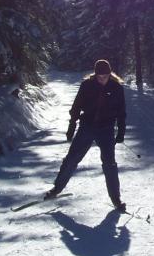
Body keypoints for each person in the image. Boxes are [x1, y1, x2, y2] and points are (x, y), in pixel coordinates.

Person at [45, 59, 127, 211]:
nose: (102, 79)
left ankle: (116, 199)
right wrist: (72, 125)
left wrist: (121, 130)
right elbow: (76, 106)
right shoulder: (87, 85)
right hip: (87, 127)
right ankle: (56, 189)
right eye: (99, 76)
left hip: (106, 129)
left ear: (110, 74)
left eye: (105, 76)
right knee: (71, 159)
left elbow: (121, 112)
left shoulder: (116, 88)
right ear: (95, 75)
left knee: (109, 164)